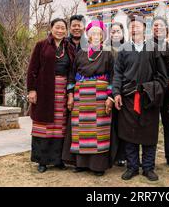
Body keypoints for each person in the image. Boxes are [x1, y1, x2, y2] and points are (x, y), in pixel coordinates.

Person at [113, 12, 168, 181]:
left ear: (145, 29)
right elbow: (118, 74)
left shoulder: (154, 48)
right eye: (131, 26)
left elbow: (162, 75)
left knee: (149, 133)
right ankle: (132, 167)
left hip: (149, 98)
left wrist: (151, 89)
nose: (134, 28)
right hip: (128, 97)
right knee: (130, 133)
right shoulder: (123, 50)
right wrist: (116, 93)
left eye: (138, 26)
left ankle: (148, 167)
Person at [62, 20, 115, 176]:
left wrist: (110, 97)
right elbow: (71, 75)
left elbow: (113, 76)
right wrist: (70, 95)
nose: (96, 36)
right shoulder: (80, 53)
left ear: (103, 36)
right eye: (93, 33)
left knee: (98, 130)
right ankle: (81, 163)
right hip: (81, 97)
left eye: (99, 33)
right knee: (81, 129)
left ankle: (98, 166)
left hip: (100, 96)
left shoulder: (108, 53)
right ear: (88, 36)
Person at [27, 18, 71, 173]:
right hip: (44, 89)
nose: (60, 30)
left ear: (66, 30)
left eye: (63, 28)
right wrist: (32, 90)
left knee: (59, 126)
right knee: (43, 125)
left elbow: (72, 71)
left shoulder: (69, 47)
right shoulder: (41, 45)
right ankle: (42, 161)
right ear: (51, 28)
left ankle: (57, 160)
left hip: (62, 90)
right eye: (57, 27)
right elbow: (33, 68)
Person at [152, 17, 169, 169]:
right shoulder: (147, 46)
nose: (158, 28)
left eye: (161, 26)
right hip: (153, 90)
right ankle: (149, 157)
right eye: (155, 25)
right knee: (150, 125)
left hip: (168, 91)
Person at [108, 22, 127, 167]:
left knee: (123, 123)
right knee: (111, 124)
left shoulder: (128, 48)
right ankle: (111, 154)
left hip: (125, 91)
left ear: (122, 33)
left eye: (118, 31)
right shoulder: (105, 50)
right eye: (112, 31)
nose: (115, 33)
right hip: (109, 91)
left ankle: (122, 155)